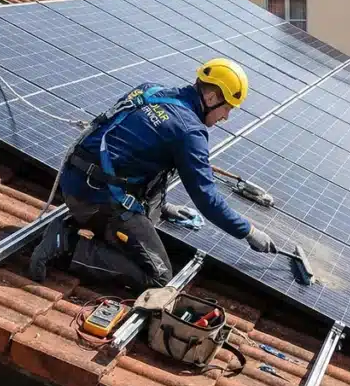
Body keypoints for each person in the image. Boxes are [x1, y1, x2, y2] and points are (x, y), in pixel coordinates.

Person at [29, 58, 277, 290]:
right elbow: (206, 199)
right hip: (95, 200)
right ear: (211, 97)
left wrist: (164, 208)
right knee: (158, 276)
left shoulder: (151, 90)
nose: (226, 117)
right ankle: (68, 243)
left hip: (76, 179)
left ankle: (93, 222)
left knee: (155, 192)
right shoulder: (189, 132)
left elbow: (131, 152)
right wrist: (248, 232)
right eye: (227, 108)